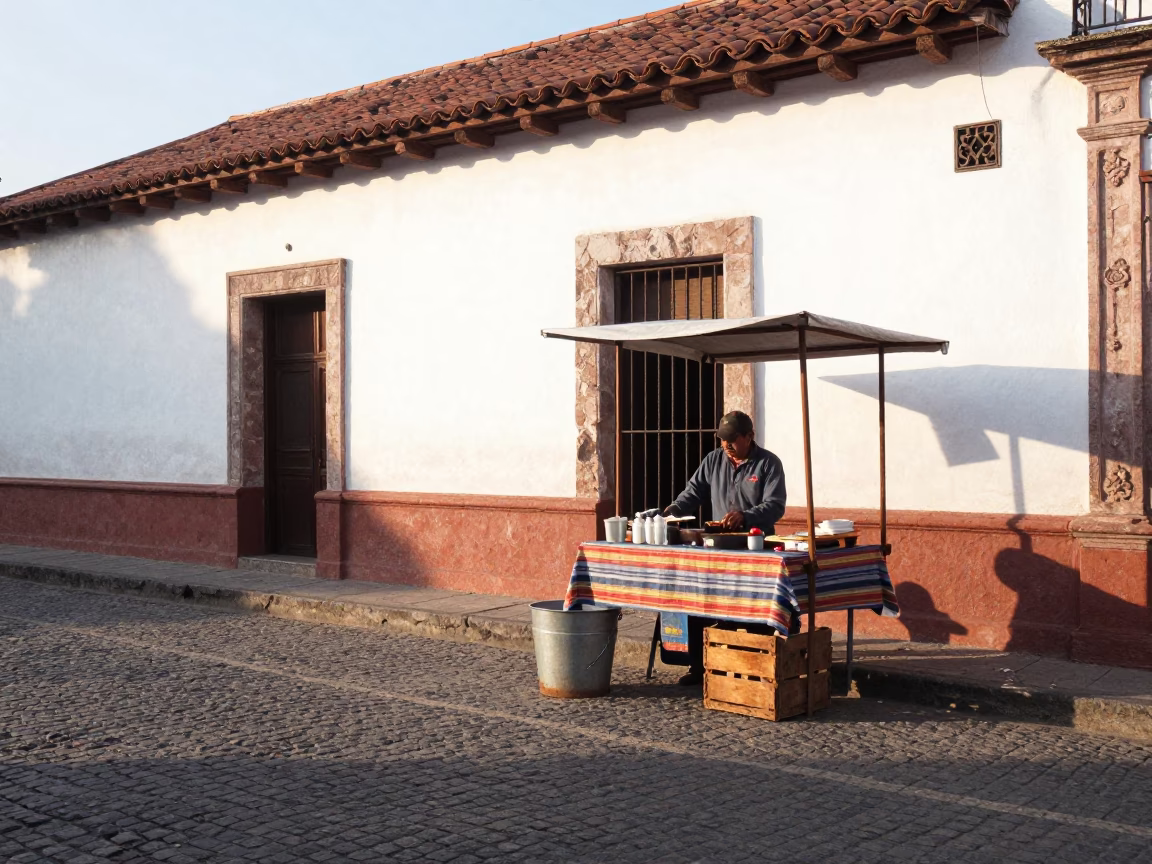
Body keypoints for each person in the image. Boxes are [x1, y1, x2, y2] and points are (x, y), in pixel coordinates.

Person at [650, 410, 787, 686]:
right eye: (723, 440)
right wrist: (675, 509)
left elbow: (775, 505)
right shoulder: (714, 459)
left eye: (732, 440)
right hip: (716, 548)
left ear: (749, 437)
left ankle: (750, 664)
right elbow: (694, 491)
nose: (726, 445)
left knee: (750, 608)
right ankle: (699, 667)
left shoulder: (769, 464)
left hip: (754, 548)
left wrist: (746, 516)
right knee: (701, 601)